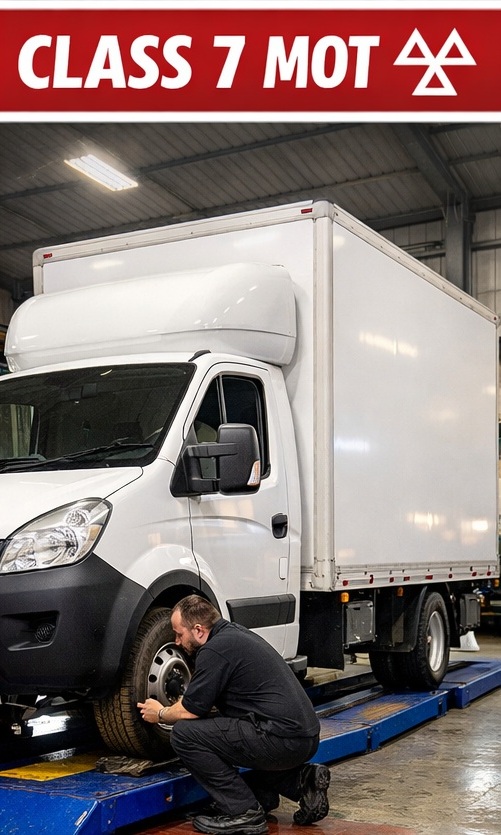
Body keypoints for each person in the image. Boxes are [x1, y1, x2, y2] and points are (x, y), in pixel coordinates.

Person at [138, 594, 330, 835]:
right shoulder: (234, 635)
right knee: (223, 733)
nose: (176, 641)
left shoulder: (214, 651)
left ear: (198, 630)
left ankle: (244, 812)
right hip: (302, 739)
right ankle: (301, 783)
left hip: (280, 739)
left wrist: (161, 713)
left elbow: (190, 710)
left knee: (185, 734)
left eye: (179, 633)